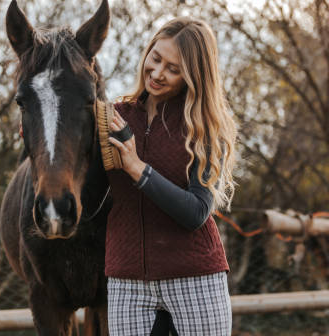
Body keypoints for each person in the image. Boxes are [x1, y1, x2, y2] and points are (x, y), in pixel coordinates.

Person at [86, 17, 237, 335]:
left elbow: (196, 211)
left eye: (173, 68)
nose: (157, 73)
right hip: (128, 283)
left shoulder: (203, 127)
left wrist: (137, 168)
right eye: (155, 59)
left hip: (195, 279)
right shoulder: (114, 117)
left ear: (193, 77)